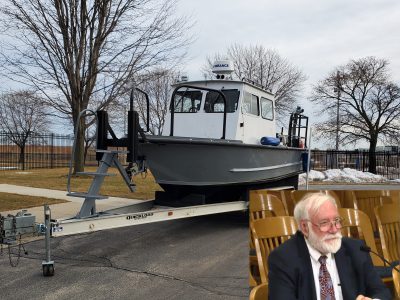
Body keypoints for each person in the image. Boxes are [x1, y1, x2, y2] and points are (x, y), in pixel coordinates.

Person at [268, 193, 391, 300]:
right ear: (305, 227)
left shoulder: (356, 249)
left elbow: (381, 292)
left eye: (337, 220)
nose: (334, 229)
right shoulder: (283, 259)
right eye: (324, 223)